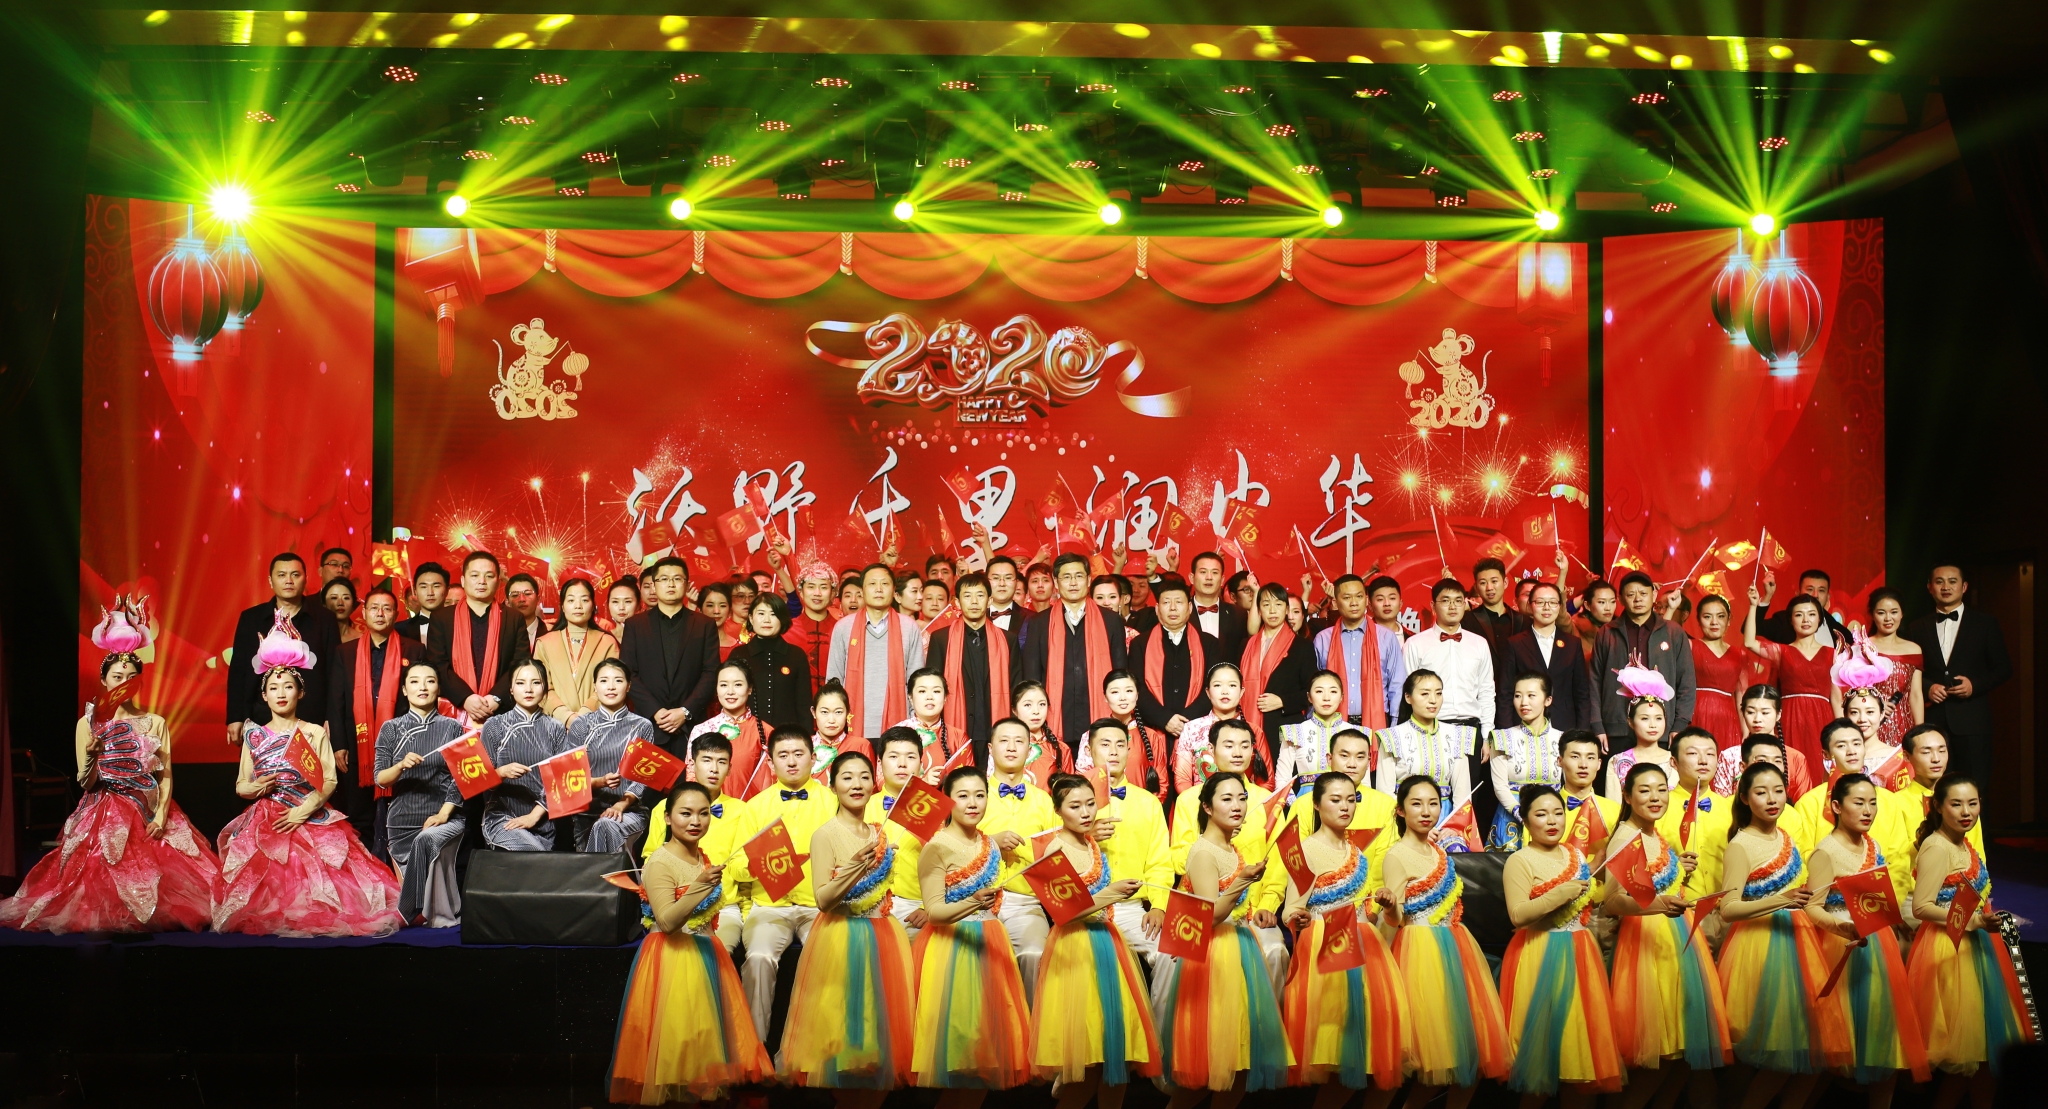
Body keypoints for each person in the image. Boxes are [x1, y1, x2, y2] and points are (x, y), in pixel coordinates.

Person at [0, 633, 218, 933]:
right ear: (104, 681)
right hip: (104, 809)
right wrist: (92, 755)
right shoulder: (87, 724)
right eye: (117, 677)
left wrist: (160, 816)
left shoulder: (155, 722)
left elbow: (165, 774)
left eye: (131, 677)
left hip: (148, 808)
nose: (124, 683)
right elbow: (86, 783)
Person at [214, 649, 403, 937]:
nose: (281, 693)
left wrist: (301, 813)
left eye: (288, 687)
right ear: (264, 695)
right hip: (268, 819)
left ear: (300, 693)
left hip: (310, 812)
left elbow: (329, 780)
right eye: (273, 688)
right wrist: (259, 786)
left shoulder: (314, 732)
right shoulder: (254, 735)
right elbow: (241, 785)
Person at [609, 780, 772, 1106]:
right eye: (686, 813)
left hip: (706, 956)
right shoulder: (659, 863)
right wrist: (699, 886)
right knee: (677, 1056)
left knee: (702, 1056)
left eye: (703, 813)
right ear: (668, 818)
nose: (696, 821)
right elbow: (668, 922)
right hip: (673, 962)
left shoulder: (701, 857)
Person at [776, 750, 917, 1099]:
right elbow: (823, 899)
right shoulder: (825, 835)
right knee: (843, 1037)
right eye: (847, 777)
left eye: (864, 777)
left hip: (883, 935)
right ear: (832, 784)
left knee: (877, 1038)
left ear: (874, 784)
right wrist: (855, 866)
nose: (857, 784)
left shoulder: (880, 832)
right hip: (841, 936)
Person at [1376, 775, 1512, 1106]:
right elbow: (1394, 919)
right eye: (1416, 804)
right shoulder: (1397, 856)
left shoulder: (1439, 852)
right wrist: (1391, 906)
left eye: (1433, 803)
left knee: (1467, 1058)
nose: (1426, 811)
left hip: (1456, 950)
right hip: (1420, 954)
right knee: (1428, 1060)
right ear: (1400, 811)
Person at [1028, 772, 1161, 1107]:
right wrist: (1111, 894)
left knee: (1116, 1055)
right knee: (1088, 1059)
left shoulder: (1090, 843)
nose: (1086, 812)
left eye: (1090, 804)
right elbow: (1064, 913)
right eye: (1075, 806)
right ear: (1058, 811)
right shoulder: (1055, 849)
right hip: (1076, 947)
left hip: (1106, 942)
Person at [1157, 771, 1290, 1105]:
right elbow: (1210, 915)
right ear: (1207, 806)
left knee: (1239, 1065)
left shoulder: (1229, 847)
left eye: (1242, 798)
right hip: (1214, 956)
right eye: (1227, 799)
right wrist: (1242, 881)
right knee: (1212, 1064)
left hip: (1239, 946)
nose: (1238, 806)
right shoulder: (1204, 853)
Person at [1276, 771, 1408, 1104]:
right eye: (1335, 800)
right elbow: (1290, 908)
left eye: (1351, 800)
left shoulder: (1357, 850)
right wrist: (1297, 917)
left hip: (1364, 945)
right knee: (1335, 1045)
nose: (1345, 807)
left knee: (1366, 1046)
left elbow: (1374, 910)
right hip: (1326, 946)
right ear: (1317, 805)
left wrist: (1386, 904)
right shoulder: (1306, 850)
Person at [1602, 762, 1728, 1107]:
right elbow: (1614, 901)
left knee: (1680, 1057)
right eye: (1645, 790)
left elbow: (1650, 882)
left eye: (1661, 789)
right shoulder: (1626, 837)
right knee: (1660, 1054)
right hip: (1649, 944)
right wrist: (1660, 904)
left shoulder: (1652, 833)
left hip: (1676, 939)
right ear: (1627, 796)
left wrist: (1676, 869)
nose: (1655, 797)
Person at [1716, 760, 1840, 1106]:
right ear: (1744, 798)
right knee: (1774, 1051)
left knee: (1805, 1050)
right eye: (1761, 792)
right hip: (1760, 947)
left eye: (1778, 791)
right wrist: (1781, 900)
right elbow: (1728, 909)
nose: (1772, 799)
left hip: (1798, 941)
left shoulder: (1785, 835)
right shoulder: (1741, 845)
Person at [910, 764, 1034, 1103]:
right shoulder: (936, 847)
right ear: (947, 801)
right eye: (963, 796)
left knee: (986, 1056)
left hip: (990, 944)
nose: (973, 803)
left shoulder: (989, 844)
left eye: (980, 795)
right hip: (951, 951)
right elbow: (934, 912)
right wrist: (973, 901)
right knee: (960, 1051)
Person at [1803, 774, 1931, 1099]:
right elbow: (1812, 908)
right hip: (1842, 948)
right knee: (1836, 1043)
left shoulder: (1871, 844)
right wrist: (1843, 927)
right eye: (1858, 803)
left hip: (1878, 943)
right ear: (1836, 806)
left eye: (1872, 803)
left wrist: (1893, 920)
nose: (1868, 810)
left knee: (1883, 1034)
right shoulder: (1825, 853)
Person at [1906, 776, 2033, 1101]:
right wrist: (1975, 921)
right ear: (1937, 806)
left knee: (1981, 1059)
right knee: (1968, 1054)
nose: (1966, 811)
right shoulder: (1937, 847)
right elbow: (1922, 907)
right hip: (1949, 948)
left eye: (1972, 804)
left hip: (1974, 945)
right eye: (1956, 804)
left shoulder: (1963, 843)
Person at [1499, 783, 1625, 1104]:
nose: (1552, 820)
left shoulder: (1575, 854)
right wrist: (1559, 893)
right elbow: (1518, 915)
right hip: (1541, 955)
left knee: (1580, 1055)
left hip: (1581, 952)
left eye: (1558, 813)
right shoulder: (1520, 861)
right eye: (1541, 814)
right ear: (1526, 820)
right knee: (1540, 1060)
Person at [1167, 719, 1288, 997]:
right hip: (1205, 909)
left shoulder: (1266, 800)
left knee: (1275, 952)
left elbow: (1278, 860)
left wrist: (1268, 904)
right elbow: (1177, 859)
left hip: (1255, 911)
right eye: (1229, 745)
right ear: (1211, 750)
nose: (1237, 752)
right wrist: (1215, 840)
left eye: (1245, 745)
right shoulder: (1190, 799)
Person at [739, 729, 839, 1043]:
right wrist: (766, 863)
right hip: (770, 907)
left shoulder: (833, 802)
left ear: (813, 758)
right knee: (758, 958)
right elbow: (736, 866)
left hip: (818, 908)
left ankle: (818, 1048)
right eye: (783, 755)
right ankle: (755, 1051)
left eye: (798, 754)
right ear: (771, 763)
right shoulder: (755, 807)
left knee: (829, 958)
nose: (791, 762)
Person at [1079, 719, 1175, 1013]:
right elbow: (1053, 850)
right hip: (1084, 908)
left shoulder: (1148, 803)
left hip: (1130, 908)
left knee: (1172, 954)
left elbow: (1160, 861)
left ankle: (1158, 1034)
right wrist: (1085, 836)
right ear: (1089, 749)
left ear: (1129, 750)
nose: (1113, 751)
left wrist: (1159, 906)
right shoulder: (1071, 797)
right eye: (1105, 744)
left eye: (1120, 745)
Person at [325, 586, 424, 841]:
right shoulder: (345, 652)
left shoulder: (413, 650)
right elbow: (336, 702)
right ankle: (363, 863)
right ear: (364, 613)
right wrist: (339, 744)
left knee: (401, 813)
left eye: (387, 609)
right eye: (374, 608)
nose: (380, 614)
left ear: (396, 614)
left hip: (402, 745)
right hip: (357, 745)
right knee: (359, 816)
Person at [373, 661, 465, 927]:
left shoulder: (452, 727)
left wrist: (443, 814)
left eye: (430, 681)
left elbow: (461, 778)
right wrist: (400, 765)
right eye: (414, 681)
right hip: (402, 820)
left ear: (438, 688)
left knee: (427, 840)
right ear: (404, 689)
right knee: (420, 918)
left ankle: (413, 914)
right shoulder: (391, 728)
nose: (422, 687)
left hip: (443, 816)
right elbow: (380, 779)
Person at [1786, 719, 1916, 908]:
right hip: (1830, 902)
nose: (1851, 751)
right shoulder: (1810, 802)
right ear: (1826, 754)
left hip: (1884, 903)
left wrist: (1889, 903)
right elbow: (1803, 857)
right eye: (1841, 746)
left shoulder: (1888, 799)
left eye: (1857, 743)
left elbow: (1899, 858)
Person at [1905, 564, 2013, 787]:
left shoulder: (1985, 624)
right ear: (1930, 588)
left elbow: (2003, 668)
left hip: (1973, 722)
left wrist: (1974, 685)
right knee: (1934, 787)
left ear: (1964, 587)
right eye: (1939, 582)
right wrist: (1928, 687)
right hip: (1933, 720)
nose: (1946, 587)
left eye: (1952, 581)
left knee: (1974, 785)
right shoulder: (1917, 627)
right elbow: (1908, 670)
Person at [638, 734, 748, 947]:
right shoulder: (664, 808)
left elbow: (742, 867)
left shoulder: (743, 810)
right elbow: (650, 859)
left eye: (721, 762)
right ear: (691, 762)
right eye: (707, 760)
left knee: (717, 951)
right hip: (673, 903)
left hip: (724, 906)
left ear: (729, 768)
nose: (714, 769)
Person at [981, 716, 1062, 994]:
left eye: (1019, 741)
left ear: (1030, 749)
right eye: (1004, 740)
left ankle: (1031, 1020)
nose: (1011, 747)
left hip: (1026, 901)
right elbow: (950, 845)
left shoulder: (1044, 801)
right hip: (977, 899)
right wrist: (991, 843)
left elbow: (1055, 856)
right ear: (990, 748)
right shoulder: (973, 794)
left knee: (1034, 954)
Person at [226, 552, 342, 743]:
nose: (289, 580)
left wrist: (332, 718)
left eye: (295, 575)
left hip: (312, 719)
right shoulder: (251, 619)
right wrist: (235, 716)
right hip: (261, 718)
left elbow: (334, 673)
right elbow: (239, 671)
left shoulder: (325, 619)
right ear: (270, 581)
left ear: (306, 578)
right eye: (281, 575)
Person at [1022, 553, 1130, 752]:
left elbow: (1120, 673)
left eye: (1079, 576)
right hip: (1055, 718)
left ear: (1088, 580)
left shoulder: (1110, 620)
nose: (1073, 583)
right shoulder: (1039, 623)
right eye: (1066, 577)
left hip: (1099, 716)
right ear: (1056, 582)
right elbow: (1032, 676)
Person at [618, 556, 721, 754]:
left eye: (677, 579)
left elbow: (711, 672)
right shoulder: (635, 625)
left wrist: (685, 711)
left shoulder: (704, 624)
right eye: (664, 579)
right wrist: (655, 711)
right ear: (654, 585)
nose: (671, 584)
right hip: (648, 725)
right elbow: (628, 673)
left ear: (686, 584)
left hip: (691, 728)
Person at [1592, 571, 1696, 747]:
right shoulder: (1607, 633)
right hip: (1617, 729)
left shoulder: (1673, 632)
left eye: (1643, 593)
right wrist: (1597, 725)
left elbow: (1686, 681)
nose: (1638, 599)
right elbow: (1595, 682)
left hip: (1661, 729)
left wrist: (1680, 723)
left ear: (1654, 595)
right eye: (1631, 594)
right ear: (1621, 599)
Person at [428, 551, 530, 727]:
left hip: (501, 712)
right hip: (453, 711)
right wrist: (465, 698)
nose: (482, 581)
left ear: (498, 582)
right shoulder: (442, 618)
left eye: (489, 576)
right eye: (474, 575)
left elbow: (520, 663)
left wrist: (496, 697)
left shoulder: (513, 618)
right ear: (463, 580)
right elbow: (437, 664)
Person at [927, 571, 1019, 767]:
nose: (974, 602)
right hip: (954, 728)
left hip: (994, 726)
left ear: (990, 600)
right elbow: (933, 688)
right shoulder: (941, 639)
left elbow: (1016, 688)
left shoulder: (1008, 640)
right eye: (967, 596)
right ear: (957, 602)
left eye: (980, 595)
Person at [565, 658, 656, 855]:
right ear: (595, 686)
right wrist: (599, 782)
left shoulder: (642, 726)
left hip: (629, 812)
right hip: (586, 814)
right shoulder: (581, 725)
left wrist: (621, 804)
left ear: (628, 686)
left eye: (618, 680)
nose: (611, 686)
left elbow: (643, 777)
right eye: (604, 680)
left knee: (606, 825)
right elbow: (568, 778)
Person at [828, 563, 928, 741]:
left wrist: (916, 723)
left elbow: (917, 681)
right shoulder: (843, 627)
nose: (879, 589)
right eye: (872, 584)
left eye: (885, 583)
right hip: (852, 726)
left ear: (894, 590)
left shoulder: (908, 627)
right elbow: (834, 680)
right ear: (862, 590)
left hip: (900, 725)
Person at [479, 661, 571, 850]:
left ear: (545, 688)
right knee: (533, 855)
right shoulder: (494, 726)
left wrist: (533, 817)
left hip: (544, 821)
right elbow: (477, 782)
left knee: (540, 860)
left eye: (536, 683)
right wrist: (501, 772)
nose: (528, 689)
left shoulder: (555, 728)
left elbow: (564, 781)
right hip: (502, 819)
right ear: (511, 689)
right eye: (520, 683)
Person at [1745, 584, 1833, 772]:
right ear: (1791, 620)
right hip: (1791, 716)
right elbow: (1749, 642)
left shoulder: (1833, 654)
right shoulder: (1782, 651)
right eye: (1799, 615)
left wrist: (1842, 728)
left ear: (1820, 619)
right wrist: (1753, 606)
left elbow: (1837, 697)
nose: (1806, 620)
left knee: (1821, 768)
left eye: (1811, 614)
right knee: (1791, 768)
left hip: (1822, 716)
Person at [1131, 578, 1222, 759]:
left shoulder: (1209, 643)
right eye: (1166, 603)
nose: (1173, 608)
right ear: (1157, 609)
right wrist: (1164, 719)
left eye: (1179, 602)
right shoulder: (1140, 644)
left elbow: (1213, 687)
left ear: (1189, 608)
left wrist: (1186, 722)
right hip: (1153, 729)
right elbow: (1136, 688)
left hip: (1197, 729)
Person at [1372, 670, 1477, 822]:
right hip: (1403, 820)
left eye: (1438, 693)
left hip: (1444, 820)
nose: (1433, 700)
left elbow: (1463, 794)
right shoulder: (1392, 737)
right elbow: (1384, 792)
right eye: (1425, 694)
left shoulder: (1457, 735)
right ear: (1408, 697)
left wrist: (1452, 827)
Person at [1310, 574, 1407, 734]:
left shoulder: (1386, 637)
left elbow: (1397, 685)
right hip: (1331, 723)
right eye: (1347, 597)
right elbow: (1314, 685)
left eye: (1359, 596)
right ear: (1336, 602)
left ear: (1366, 600)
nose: (1354, 603)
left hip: (1378, 722)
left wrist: (1396, 726)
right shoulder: (1323, 639)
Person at [1239, 582, 1316, 781]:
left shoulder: (1302, 647)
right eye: (1266, 604)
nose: (1272, 610)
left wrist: (1282, 702)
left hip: (1284, 728)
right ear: (1258, 610)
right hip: (1248, 726)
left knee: (1282, 785)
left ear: (1287, 609)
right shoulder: (1247, 645)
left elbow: (1310, 692)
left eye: (1278, 604)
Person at [1496, 580, 1593, 732]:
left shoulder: (1572, 644)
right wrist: (1506, 733)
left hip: (1565, 725)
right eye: (1540, 602)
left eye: (1553, 602)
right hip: (1524, 725)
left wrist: (1582, 732)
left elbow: (1581, 693)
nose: (1547, 607)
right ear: (1530, 606)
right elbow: (1505, 693)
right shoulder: (1515, 644)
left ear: (1560, 606)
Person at [1488, 672, 1565, 849]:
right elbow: (1500, 787)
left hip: (1551, 818)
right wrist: (1521, 813)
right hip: (1511, 820)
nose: (1523, 702)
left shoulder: (1562, 739)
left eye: (1531, 695)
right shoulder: (1502, 738)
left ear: (1548, 700)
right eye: (1518, 696)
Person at [868, 728, 931, 941]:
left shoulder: (935, 809)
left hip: (917, 906)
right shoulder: (862, 806)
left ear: (921, 763)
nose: (902, 764)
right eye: (894, 756)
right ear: (879, 762)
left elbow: (951, 867)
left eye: (910, 757)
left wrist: (929, 907)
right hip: (870, 905)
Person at [1656, 729, 1732, 904]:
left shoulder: (1732, 810)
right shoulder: (1658, 810)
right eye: (1692, 753)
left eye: (1710, 754)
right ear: (1674, 762)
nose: (1703, 760)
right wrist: (1671, 870)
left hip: (1728, 909)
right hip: (1678, 910)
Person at [532, 577, 622, 726]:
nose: (578, 606)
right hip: (554, 724)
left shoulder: (607, 642)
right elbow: (541, 685)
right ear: (562, 606)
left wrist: (584, 715)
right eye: (571, 600)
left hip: (597, 724)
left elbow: (612, 685)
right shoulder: (545, 643)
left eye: (584, 600)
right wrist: (565, 716)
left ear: (593, 605)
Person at [727, 593, 813, 731]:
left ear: (782, 619)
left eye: (773, 614)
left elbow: (804, 703)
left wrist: (807, 736)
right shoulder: (739, 655)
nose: (766, 620)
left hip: (788, 736)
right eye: (761, 614)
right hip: (746, 733)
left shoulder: (796, 655)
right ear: (751, 618)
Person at [1710, 687, 1815, 798]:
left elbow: (1803, 802)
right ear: (1743, 714)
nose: (1757, 719)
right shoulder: (1729, 756)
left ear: (1778, 714)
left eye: (1765, 713)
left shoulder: (1796, 758)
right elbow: (1721, 802)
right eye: (1750, 712)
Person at [1853, 587, 1924, 752]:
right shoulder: (1862, 647)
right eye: (1881, 613)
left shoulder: (1914, 649)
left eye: (1894, 612)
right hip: (1870, 723)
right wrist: (1875, 704)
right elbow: (1851, 691)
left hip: (1905, 725)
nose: (1888, 618)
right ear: (1872, 614)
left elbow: (1915, 694)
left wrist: (1920, 732)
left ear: (1902, 614)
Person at [688, 663, 771, 800]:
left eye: (738, 685)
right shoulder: (701, 730)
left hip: (750, 809)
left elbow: (771, 783)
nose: (730, 691)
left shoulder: (766, 731)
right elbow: (691, 777)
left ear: (749, 689)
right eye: (723, 685)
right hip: (708, 808)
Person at [1686, 593, 1757, 751]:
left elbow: (1742, 695)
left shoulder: (1740, 654)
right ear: (1698, 620)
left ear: (1729, 620)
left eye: (1720, 616)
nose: (1714, 622)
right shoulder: (1690, 646)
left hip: (1728, 717)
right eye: (1707, 617)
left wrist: (1745, 730)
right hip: (1696, 712)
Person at [1172, 663, 1251, 797]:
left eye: (1232, 685)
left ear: (1241, 692)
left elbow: (1265, 781)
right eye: (1217, 685)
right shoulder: (1191, 729)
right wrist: (1203, 803)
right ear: (1208, 692)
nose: (1225, 691)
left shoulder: (1253, 730)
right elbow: (1182, 780)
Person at [1274, 671, 1351, 800]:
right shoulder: (1294, 732)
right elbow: (1282, 780)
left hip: (1346, 803)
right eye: (1319, 691)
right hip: (1307, 803)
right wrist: (1297, 806)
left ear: (1342, 697)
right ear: (1309, 697)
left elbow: (1364, 784)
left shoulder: (1355, 733)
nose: (1326, 697)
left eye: (1333, 691)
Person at [1602, 670, 1676, 802]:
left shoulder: (1676, 761)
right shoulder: (1618, 761)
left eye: (1658, 718)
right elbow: (1613, 807)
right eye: (1645, 718)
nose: (1653, 725)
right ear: (1630, 722)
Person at [1758, 568, 1851, 648]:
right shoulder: (1783, 621)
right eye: (1810, 589)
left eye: (1821, 590)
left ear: (1828, 597)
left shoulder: (1841, 633)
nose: (1815, 595)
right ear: (1798, 594)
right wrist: (1767, 596)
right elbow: (1754, 629)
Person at [1466, 556, 1531, 649]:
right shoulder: (1467, 621)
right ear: (1476, 587)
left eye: (1494, 581)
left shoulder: (1524, 622)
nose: (1489, 588)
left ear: (1505, 583)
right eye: (1483, 583)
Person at [892, 668, 956, 762]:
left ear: (945, 698)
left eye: (936, 691)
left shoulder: (958, 737)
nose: (929, 697)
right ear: (911, 698)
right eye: (922, 691)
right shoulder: (894, 735)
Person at [810, 681, 858, 774]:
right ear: (814, 712)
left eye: (838, 712)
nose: (831, 720)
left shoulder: (860, 745)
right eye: (824, 712)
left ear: (848, 713)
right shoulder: (803, 746)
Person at [398, 562, 449, 646]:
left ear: (447, 590)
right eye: (423, 587)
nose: (430, 593)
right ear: (415, 591)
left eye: (436, 586)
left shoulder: (460, 625)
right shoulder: (400, 630)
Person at [1569, 579, 1617, 663]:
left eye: (1612, 601)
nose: (1608, 608)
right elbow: (1561, 616)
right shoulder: (1575, 627)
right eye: (1601, 602)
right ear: (1587, 605)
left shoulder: (1620, 628)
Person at [505, 573, 549, 652]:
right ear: (507, 602)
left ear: (538, 599)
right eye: (515, 595)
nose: (522, 599)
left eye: (528, 594)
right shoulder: (499, 634)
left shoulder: (552, 633)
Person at [699, 583, 742, 661]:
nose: (716, 611)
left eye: (722, 606)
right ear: (700, 610)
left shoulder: (739, 649)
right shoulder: (691, 644)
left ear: (729, 611)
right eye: (710, 605)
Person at [984, 556, 1025, 632]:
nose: (1002, 584)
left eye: (1008, 578)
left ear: (1016, 582)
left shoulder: (1032, 619)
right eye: (996, 578)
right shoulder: (974, 618)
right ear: (986, 582)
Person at [323, 577, 360, 644]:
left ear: (353, 604)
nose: (340, 603)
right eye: (334, 598)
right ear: (324, 604)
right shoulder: (316, 637)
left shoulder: (361, 640)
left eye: (346, 598)